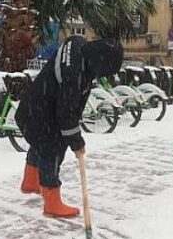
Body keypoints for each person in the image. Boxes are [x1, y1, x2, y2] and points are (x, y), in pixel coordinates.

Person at [15, 35, 124, 218]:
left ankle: (31, 182)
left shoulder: (78, 45)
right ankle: (52, 202)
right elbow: (67, 115)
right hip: (40, 114)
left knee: (40, 141)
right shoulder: (73, 77)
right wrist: (76, 143)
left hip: (31, 108)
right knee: (52, 150)